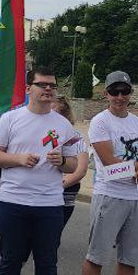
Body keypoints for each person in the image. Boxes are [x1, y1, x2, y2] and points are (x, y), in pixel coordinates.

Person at [0, 68, 80, 275]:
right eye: (42, 85)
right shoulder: (11, 119)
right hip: (13, 201)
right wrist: (18, 159)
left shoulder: (63, 125)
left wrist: (61, 162)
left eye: (52, 85)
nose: (48, 90)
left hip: (49, 204)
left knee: (47, 262)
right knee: (10, 260)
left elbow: (74, 163)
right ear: (29, 88)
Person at [80, 70, 138, 275]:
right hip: (109, 193)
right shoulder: (100, 122)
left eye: (125, 92)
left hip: (135, 196)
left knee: (129, 258)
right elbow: (108, 159)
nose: (120, 97)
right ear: (106, 94)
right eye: (115, 92)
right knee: (97, 255)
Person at [54, 97, 90, 228]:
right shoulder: (44, 134)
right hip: (43, 191)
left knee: (53, 233)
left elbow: (81, 169)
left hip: (65, 190)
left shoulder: (75, 137)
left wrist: (58, 186)